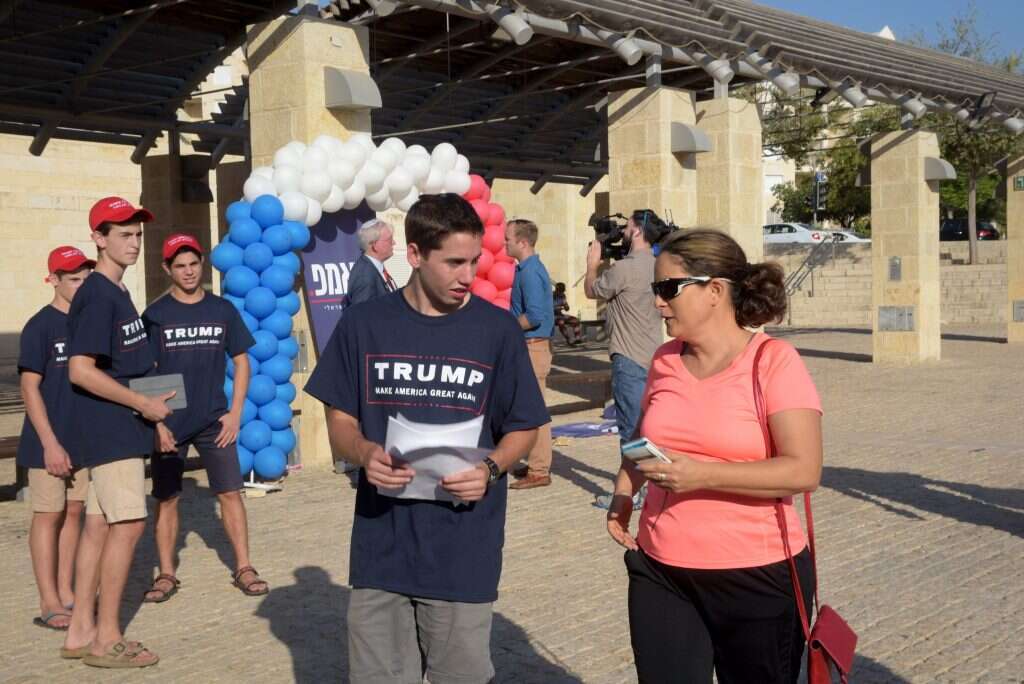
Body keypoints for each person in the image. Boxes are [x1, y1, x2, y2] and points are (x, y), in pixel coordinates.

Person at [304, 193, 549, 684]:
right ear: (414, 254)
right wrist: (364, 452)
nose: (468, 276)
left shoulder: (496, 329)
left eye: (474, 261)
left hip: (463, 549)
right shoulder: (364, 325)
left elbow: (523, 425)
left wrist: (491, 469)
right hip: (381, 548)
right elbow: (340, 421)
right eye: (454, 262)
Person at [605, 229, 823, 683]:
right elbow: (642, 442)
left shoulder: (774, 361)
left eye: (668, 288)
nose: (657, 302)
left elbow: (804, 469)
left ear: (715, 291)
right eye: (655, 289)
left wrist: (702, 475)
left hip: (757, 574)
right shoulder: (664, 359)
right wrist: (623, 493)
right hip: (662, 570)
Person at [62, 197, 172, 669]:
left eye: (138, 234)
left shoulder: (116, 291)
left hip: (119, 425)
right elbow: (80, 370)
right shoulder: (98, 295)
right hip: (111, 429)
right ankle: (107, 638)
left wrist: (154, 409)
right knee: (128, 525)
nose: (134, 242)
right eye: (124, 234)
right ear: (98, 239)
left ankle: (80, 631)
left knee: (98, 526)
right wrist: (141, 403)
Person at [140, 234, 268, 604]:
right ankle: (166, 573)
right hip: (169, 422)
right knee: (167, 499)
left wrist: (235, 414)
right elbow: (145, 372)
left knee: (230, 493)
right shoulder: (156, 315)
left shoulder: (221, 309)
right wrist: (157, 425)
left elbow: (242, 362)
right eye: (180, 266)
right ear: (167, 269)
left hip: (215, 421)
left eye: (194, 264)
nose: (188, 271)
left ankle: (244, 567)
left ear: (202, 265)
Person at [18, 246, 95, 631]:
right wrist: (49, 443)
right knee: (49, 515)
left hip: (83, 439)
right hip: (47, 441)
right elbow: (29, 388)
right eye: (74, 279)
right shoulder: (40, 326)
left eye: (86, 279)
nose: (81, 286)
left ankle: (67, 591)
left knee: (75, 512)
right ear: (53, 280)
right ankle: (48, 600)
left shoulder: (89, 323)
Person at [585, 209, 667, 509]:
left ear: (637, 231)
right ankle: (654, 488)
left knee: (631, 430)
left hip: (629, 359)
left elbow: (592, 290)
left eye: (627, 226)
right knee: (650, 428)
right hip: (654, 357)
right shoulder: (660, 266)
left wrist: (592, 264)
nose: (622, 231)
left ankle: (632, 493)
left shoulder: (624, 269)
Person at [504, 218, 555, 490]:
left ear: (522, 242)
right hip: (531, 346)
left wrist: (506, 327)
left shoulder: (530, 272)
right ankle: (536, 463)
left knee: (536, 410)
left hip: (533, 346)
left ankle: (539, 470)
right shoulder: (527, 269)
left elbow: (534, 315)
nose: (504, 243)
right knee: (529, 407)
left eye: (508, 239)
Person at [347, 218, 397, 305]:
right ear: (375, 245)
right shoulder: (364, 276)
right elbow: (363, 312)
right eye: (389, 239)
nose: (394, 242)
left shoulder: (374, 268)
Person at [553, 282, 583, 346]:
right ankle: (568, 339)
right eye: (560, 291)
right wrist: (557, 308)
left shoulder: (563, 295)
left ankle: (577, 338)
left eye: (562, 291)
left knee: (576, 320)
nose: (561, 293)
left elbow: (566, 307)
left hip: (560, 315)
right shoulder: (551, 296)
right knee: (561, 322)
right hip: (552, 316)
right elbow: (547, 308)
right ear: (557, 290)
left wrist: (566, 307)